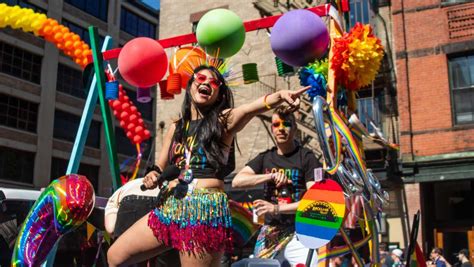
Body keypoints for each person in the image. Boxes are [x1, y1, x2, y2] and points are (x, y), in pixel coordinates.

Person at [106, 65, 309, 267]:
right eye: (201, 78)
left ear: (219, 94)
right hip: (170, 207)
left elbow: (251, 108)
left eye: (214, 83)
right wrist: (153, 175)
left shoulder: (223, 121)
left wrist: (281, 95)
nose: (206, 83)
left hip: (202, 210)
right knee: (115, 256)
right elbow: (159, 166)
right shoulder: (177, 126)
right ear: (191, 84)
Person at [232, 107, 322, 266]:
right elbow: (237, 181)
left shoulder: (307, 158)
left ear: (294, 128)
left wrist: (275, 209)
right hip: (270, 232)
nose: (281, 129)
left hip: (299, 231)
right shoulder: (265, 158)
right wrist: (270, 176)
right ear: (272, 128)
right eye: (276, 124)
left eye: (286, 124)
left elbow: (315, 201)